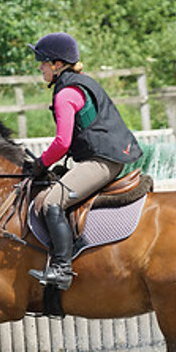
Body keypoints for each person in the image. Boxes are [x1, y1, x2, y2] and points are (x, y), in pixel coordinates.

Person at [25, 32, 144, 290]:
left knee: (50, 202)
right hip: (105, 155)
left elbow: (62, 143)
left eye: (43, 62)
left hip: (102, 161)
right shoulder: (79, 83)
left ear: (57, 64)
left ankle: (62, 269)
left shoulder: (65, 94)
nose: (40, 67)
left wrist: (39, 164)